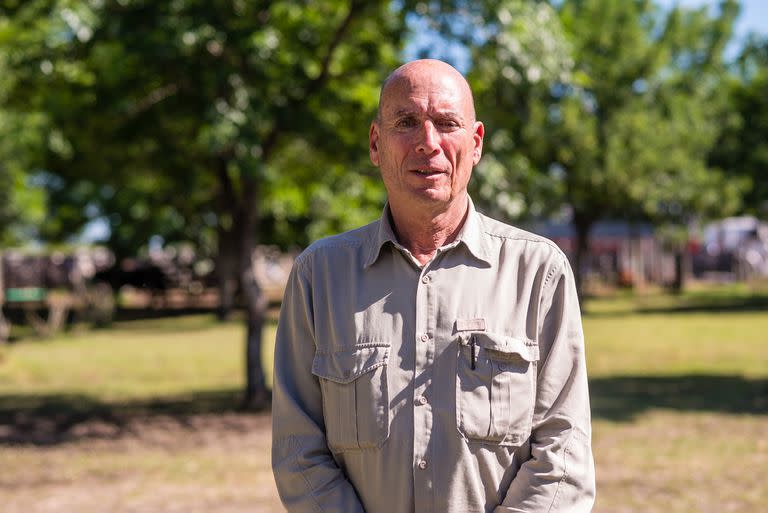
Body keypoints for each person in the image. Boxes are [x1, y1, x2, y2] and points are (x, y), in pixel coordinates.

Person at [272, 59, 595, 513]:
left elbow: (564, 452)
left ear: (476, 143)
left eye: (447, 123)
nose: (429, 143)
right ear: (375, 143)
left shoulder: (539, 272)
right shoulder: (318, 277)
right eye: (406, 122)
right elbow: (297, 451)